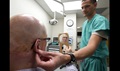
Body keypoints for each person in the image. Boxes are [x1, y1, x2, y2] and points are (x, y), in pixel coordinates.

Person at [35, 0, 110, 71]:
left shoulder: (100, 21)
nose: (84, 9)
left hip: (95, 62)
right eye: (82, 7)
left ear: (95, 5)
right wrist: (72, 51)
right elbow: (85, 47)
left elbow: (91, 48)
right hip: (84, 61)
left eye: (87, 6)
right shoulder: (85, 24)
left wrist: (69, 57)